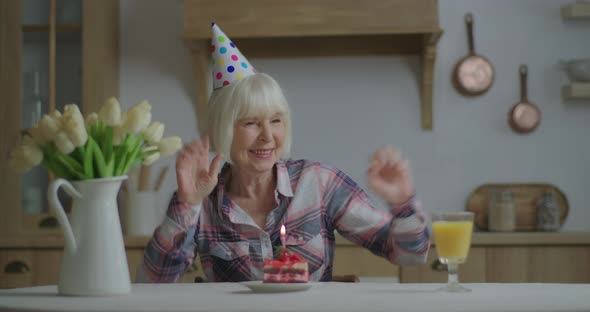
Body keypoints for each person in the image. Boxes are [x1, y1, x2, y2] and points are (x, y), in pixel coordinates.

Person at [136, 23, 429, 283]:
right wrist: (188, 204)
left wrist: (402, 203)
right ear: (223, 130)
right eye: (250, 123)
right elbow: (151, 283)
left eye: (276, 121)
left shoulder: (319, 183)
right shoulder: (205, 203)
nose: (267, 136)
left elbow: (410, 254)